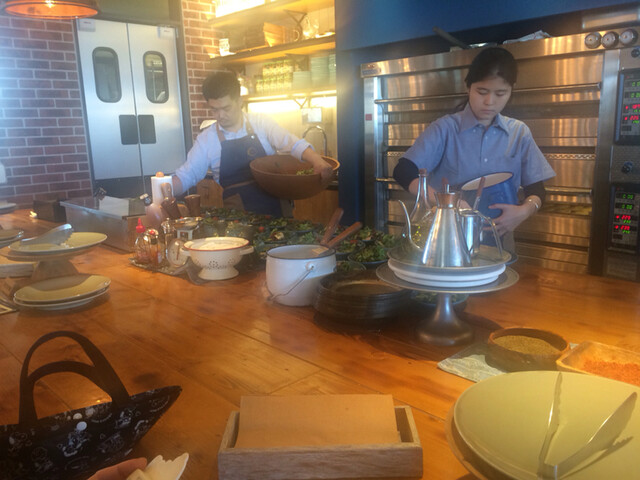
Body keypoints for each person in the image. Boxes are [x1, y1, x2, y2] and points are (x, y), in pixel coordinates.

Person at [393, 47, 555, 247]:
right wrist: (447, 201)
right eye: (482, 92)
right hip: (447, 238)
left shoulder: (519, 132)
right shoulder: (445, 128)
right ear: (468, 87)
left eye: (500, 93)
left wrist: (524, 211)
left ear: (511, 91)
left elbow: (537, 189)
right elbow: (403, 171)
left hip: (499, 240)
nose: (489, 102)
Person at [173, 71, 332, 216]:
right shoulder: (206, 139)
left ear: (239, 101)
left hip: (279, 210)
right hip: (239, 221)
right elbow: (187, 175)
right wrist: (164, 190)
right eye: (214, 110)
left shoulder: (261, 123)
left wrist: (317, 161)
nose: (220, 115)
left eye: (226, 108)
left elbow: (291, 143)